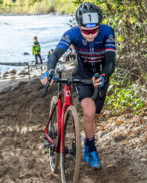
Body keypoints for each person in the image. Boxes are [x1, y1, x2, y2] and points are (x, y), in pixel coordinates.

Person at [40, 2, 116, 169]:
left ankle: (88, 142)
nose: (90, 35)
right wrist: (50, 70)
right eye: (86, 32)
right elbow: (56, 53)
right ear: (78, 26)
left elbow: (111, 62)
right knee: (89, 112)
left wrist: (104, 76)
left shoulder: (107, 32)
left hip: (100, 75)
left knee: (93, 115)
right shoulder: (71, 34)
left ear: (99, 25)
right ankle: (92, 148)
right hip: (82, 75)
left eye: (94, 31)